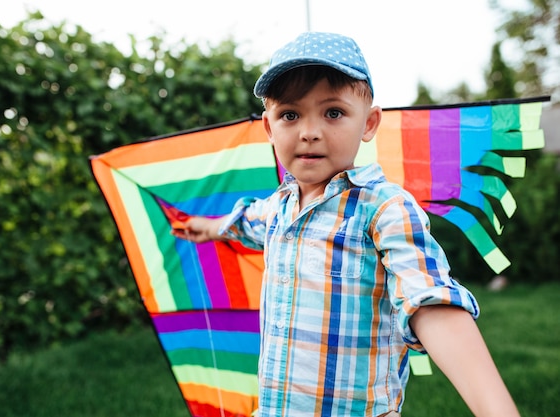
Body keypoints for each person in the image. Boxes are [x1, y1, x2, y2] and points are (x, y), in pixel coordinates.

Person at [173, 32, 520, 417]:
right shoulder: (279, 207)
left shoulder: (383, 209)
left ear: (369, 123)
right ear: (270, 130)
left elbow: (428, 301)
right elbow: (244, 222)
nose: (309, 131)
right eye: (290, 114)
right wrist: (207, 227)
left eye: (333, 112)